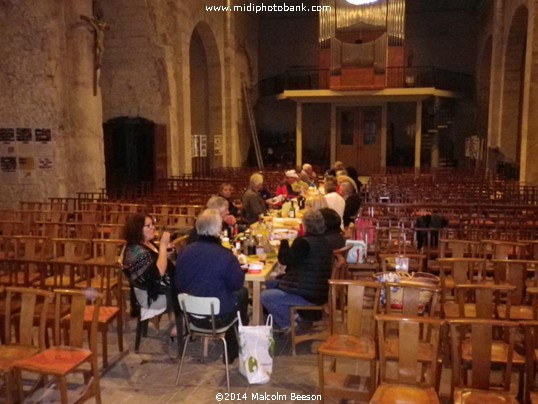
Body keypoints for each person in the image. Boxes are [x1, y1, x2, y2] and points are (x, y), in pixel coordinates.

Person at [175, 209, 248, 363]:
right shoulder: (225, 255)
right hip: (219, 317)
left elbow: (179, 283)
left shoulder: (184, 252)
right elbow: (237, 283)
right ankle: (235, 346)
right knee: (242, 293)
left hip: (191, 317)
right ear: (218, 230)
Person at [260, 210, 333, 330]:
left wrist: (283, 241)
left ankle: (289, 325)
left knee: (265, 295)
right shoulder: (325, 241)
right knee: (269, 283)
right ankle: (295, 316)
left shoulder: (304, 243)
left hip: (308, 293)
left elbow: (285, 260)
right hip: (319, 289)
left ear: (305, 226)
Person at [123, 213, 178, 336]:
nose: (153, 228)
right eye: (148, 226)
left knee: (189, 278)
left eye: (153, 224)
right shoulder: (135, 250)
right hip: (150, 295)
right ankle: (185, 323)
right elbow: (158, 272)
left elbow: (156, 262)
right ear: (137, 229)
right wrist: (163, 246)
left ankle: (184, 322)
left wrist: (166, 252)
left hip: (156, 288)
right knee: (189, 288)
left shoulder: (147, 243)